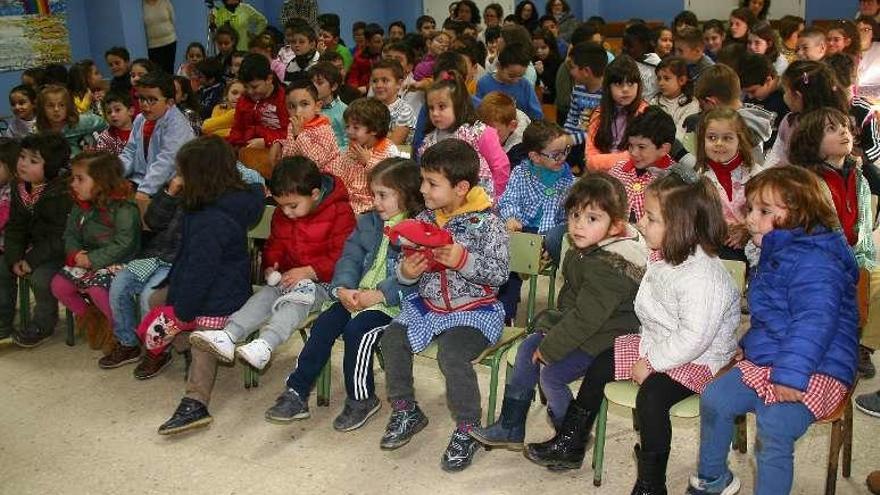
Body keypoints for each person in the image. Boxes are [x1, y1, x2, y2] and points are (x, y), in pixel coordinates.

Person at [525, 166, 740, 495]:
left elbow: (694, 338)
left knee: (652, 398)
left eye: (651, 219)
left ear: (681, 225)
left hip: (700, 358)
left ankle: (651, 484)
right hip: (660, 341)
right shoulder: (663, 255)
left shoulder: (703, 277)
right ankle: (571, 442)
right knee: (601, 364)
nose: (640, 224)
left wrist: (651, 362)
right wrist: (647, 350)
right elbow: (654, 310)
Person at [686, 166, 858, 495]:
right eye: (750, 208)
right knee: (715, 399)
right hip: (777, 358)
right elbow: (774, 317)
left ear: (802, 215)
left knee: (775, 425)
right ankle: (712, 480)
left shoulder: (817, 262)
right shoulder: (776, 251)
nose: (750, 218)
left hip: (818, 365)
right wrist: (748, 345)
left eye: (764, 211)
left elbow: (813, 324)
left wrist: (790, 375)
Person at [474, 171, 647, 449]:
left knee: (551, 375)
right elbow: (571, 303)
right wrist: (548, 329)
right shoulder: (583, 248)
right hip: (582, 325)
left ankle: (571, 436)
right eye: (574, 216)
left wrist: (551, 346)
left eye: (592, 218)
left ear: (615, 227)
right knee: (527, 349)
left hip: (609, 338)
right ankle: (511, 424)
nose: (579, 225)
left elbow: (587, 319)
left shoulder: (612, 264)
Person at [377, 139, 509, 472]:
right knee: (392, 338)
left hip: (475, 311)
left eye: (432, 183)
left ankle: (468, 429)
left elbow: (499, 274)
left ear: (461, 187)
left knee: (452, 355)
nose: (422, 189)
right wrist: (406, 273)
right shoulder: (424, 218)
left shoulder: (487, 222)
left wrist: (464, 260)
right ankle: (406, 409)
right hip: (430, 307)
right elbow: (405, 265)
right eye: (423, 180)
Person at [264, 158, 423, 431]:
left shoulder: (419, 229)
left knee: (358, 331)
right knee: (324, 324)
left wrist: (380, 295)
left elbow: (418, 278)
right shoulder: (370, 222)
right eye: (374, 195)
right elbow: (349, 257)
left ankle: (362, 398)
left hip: (396, 305)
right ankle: (297, 391)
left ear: (407, 194)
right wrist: (342, 288)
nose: (375, 202)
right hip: (356, 296)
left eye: (383, 195)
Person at [151, 136, 264, 434]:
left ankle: (196, 402)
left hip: (222, 295)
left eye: (183, 173)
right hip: (210, 284)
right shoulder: (221, 200)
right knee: (156, 301)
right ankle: (185, 347)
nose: (178, 179)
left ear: (199, 177)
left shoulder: (209, 218)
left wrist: (184, 313)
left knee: (203, 335)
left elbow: (202, 272)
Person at [51, 152, 140, 356]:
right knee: (59, 285)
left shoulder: (124, 206)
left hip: (120, 262)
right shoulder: (80, 204)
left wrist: (92, 259)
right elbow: (70, 233)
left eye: (80, 179)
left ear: (101, 181)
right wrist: (75, 255)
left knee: (97, 290)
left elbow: (124, 243)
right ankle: (93, 319)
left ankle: (117, 331)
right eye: (73, 178)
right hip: (87, 258)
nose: (73, 184)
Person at [2, 133, 73, 347]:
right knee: (2, 267)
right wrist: (14, 257)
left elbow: (58, 236)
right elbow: (16, 226)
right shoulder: (19, 187)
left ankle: (43, 323)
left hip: (58, 250)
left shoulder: (60, 192)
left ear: (50, 167)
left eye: (33, 161)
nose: (23, 164)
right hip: (34, 248)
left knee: (41, 277)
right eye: (22, 157)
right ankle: (3, 322)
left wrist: (30, 260)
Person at [419, 71, 510, 200]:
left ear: (458, 106)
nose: (435, 113)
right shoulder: (428, 141)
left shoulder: (479, 133)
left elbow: (500, 166)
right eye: (431, 108)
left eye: (441, 107)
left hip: (481, 204)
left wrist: (497, 197)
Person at [119, 73, 195, 200]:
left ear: (169, 102)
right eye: (141, 98)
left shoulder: (177, 124)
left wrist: (144, 190)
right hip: (141, 180)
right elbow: (130, 152)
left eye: (152, 100)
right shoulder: (140, 119)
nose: (144, 104)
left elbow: (167, 161)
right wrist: (113, 174)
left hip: (167, 186)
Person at [330, 98, 399, 214]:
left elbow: (391, 181)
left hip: (371, 209)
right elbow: (339, 175)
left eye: (356, 127)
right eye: (347, 126)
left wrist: (368, 162)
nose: (349, 131)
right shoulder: (352, 148)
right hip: (347, 204)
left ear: (374, 130)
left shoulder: (389, 150)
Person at [609, 107, 678, 222]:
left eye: (642, 147)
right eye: (631, 145)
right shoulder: (617, 171)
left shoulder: (674, 180)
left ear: (663, 149)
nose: (634, 153)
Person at [227, 53, 289, 175]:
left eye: (254, 87)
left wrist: (266, 141)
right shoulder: (244, 99)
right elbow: (237, 129)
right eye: (246, 87)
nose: (250, 92)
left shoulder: (284, 99)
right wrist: (232, 148)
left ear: (269, 79)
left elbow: (290, 132)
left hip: (276, 153)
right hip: (245, 150)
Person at [586, 56, 648, 172]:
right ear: (608, 88)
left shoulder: (646, 113)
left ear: (638, 85)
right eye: (618, 84)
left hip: (636, 176)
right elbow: (590, 161)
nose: (625, 89)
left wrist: (602, 161)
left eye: (630, 83)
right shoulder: (599, 113)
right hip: (603, 177)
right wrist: (623, 158)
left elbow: (641, 157)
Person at [279, 79, 341, 173]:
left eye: (304, 104)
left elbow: (316, 162)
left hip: (325, 177)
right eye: (291, 106)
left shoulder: (324, 130)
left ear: (317, 107)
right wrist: (280, 143)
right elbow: (289, 154)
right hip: (298, 174)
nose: (297, 112)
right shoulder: (292, 126)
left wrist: (299, 135)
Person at [36, 85, 107, 156]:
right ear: (42, 108)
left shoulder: (82, 122)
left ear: (68, 107)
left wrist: (97, 145)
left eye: (62, 105)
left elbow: (105, 125)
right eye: (51, 106)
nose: (56, 109)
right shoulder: (38, 131)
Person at [650, 57, 700, 141]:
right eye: (659, 78)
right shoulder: (654, 101)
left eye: (666, 78)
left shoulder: (691, 103)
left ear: (682, 80)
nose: (661, 83)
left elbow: (681, 134)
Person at [308, 62, 349, 149]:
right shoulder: (308, 108)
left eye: (319, 83)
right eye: (312, 83)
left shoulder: (344, 111)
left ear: (333, 86)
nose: (314, 87)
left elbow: (347, 143)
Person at [142, 0, 177, 74]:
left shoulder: (165, 2)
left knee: (169, 70)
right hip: (153, 45)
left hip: (170, 41)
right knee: (157, 73)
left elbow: (173, 19)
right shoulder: (142, 5)